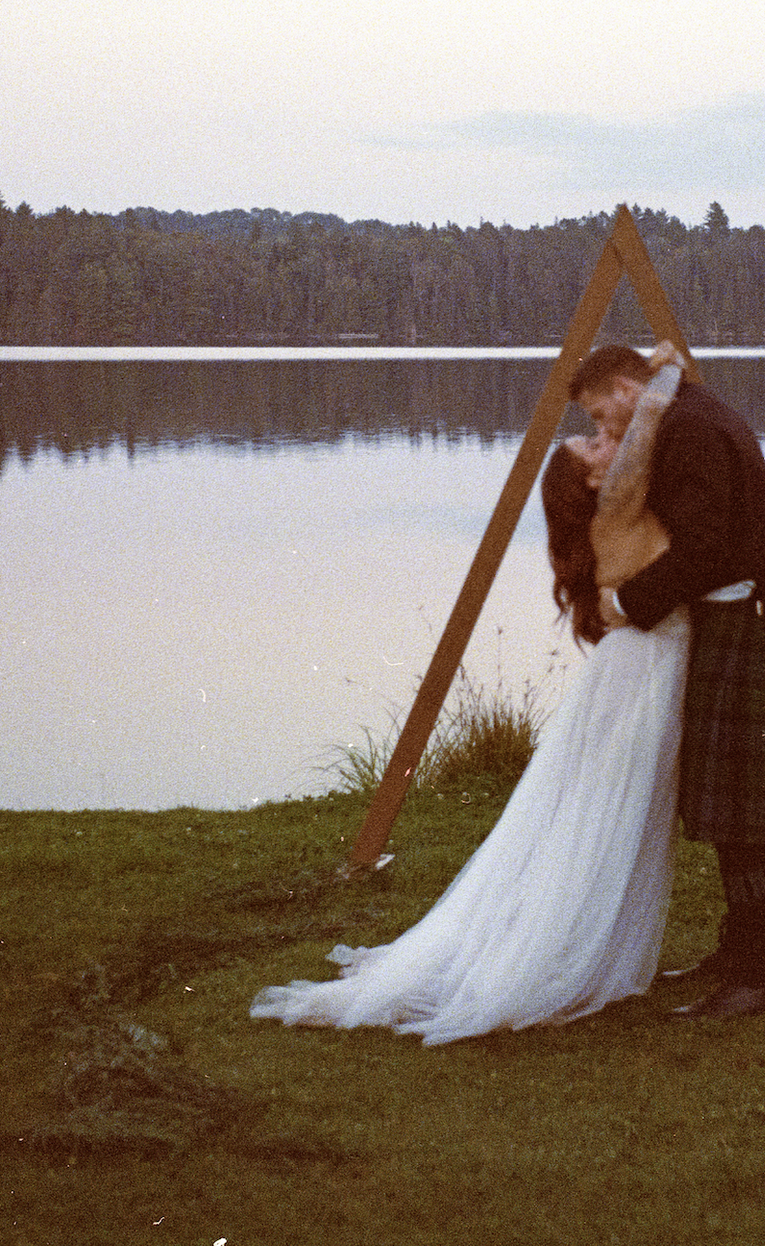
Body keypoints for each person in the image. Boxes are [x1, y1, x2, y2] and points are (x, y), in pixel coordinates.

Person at [248, 347, 689, 1045]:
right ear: (594, 480)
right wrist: (662, 366)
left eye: (600, 430)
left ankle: (578, 935)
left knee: (595, 819)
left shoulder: (610, 503)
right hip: (641, 676)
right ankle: (559, 947)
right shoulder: (619, 500)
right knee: (601, 821)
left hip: (630, 671)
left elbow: (637, 428)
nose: (608, 441)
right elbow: (651, 412)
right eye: (594, 439)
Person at [572, 342, 765, 1021]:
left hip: (740, 615)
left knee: (738, 809)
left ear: (627, 386)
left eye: (604, 412)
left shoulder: (689, 428)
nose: (609, 429)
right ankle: (736, 950)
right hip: (738, 613)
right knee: (727, 803)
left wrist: (627, 604)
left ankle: (755, 973)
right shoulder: (685, 414)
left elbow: (703, 547)